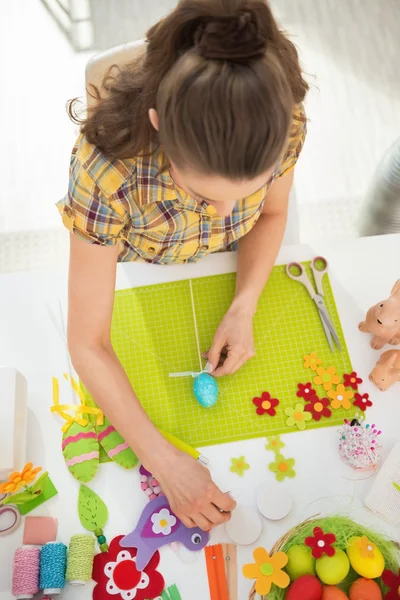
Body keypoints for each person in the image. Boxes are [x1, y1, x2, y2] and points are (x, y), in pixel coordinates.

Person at [58, 0, 308, 532]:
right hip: (140, 264)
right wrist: (166, 463)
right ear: (158, 127)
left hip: (216, 268)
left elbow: (275, 214)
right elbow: (86, 343)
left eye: (247, 192)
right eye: (202, 192)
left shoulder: (281, 123)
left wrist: (244, 305)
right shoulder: (107, 173)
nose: (223, 215)